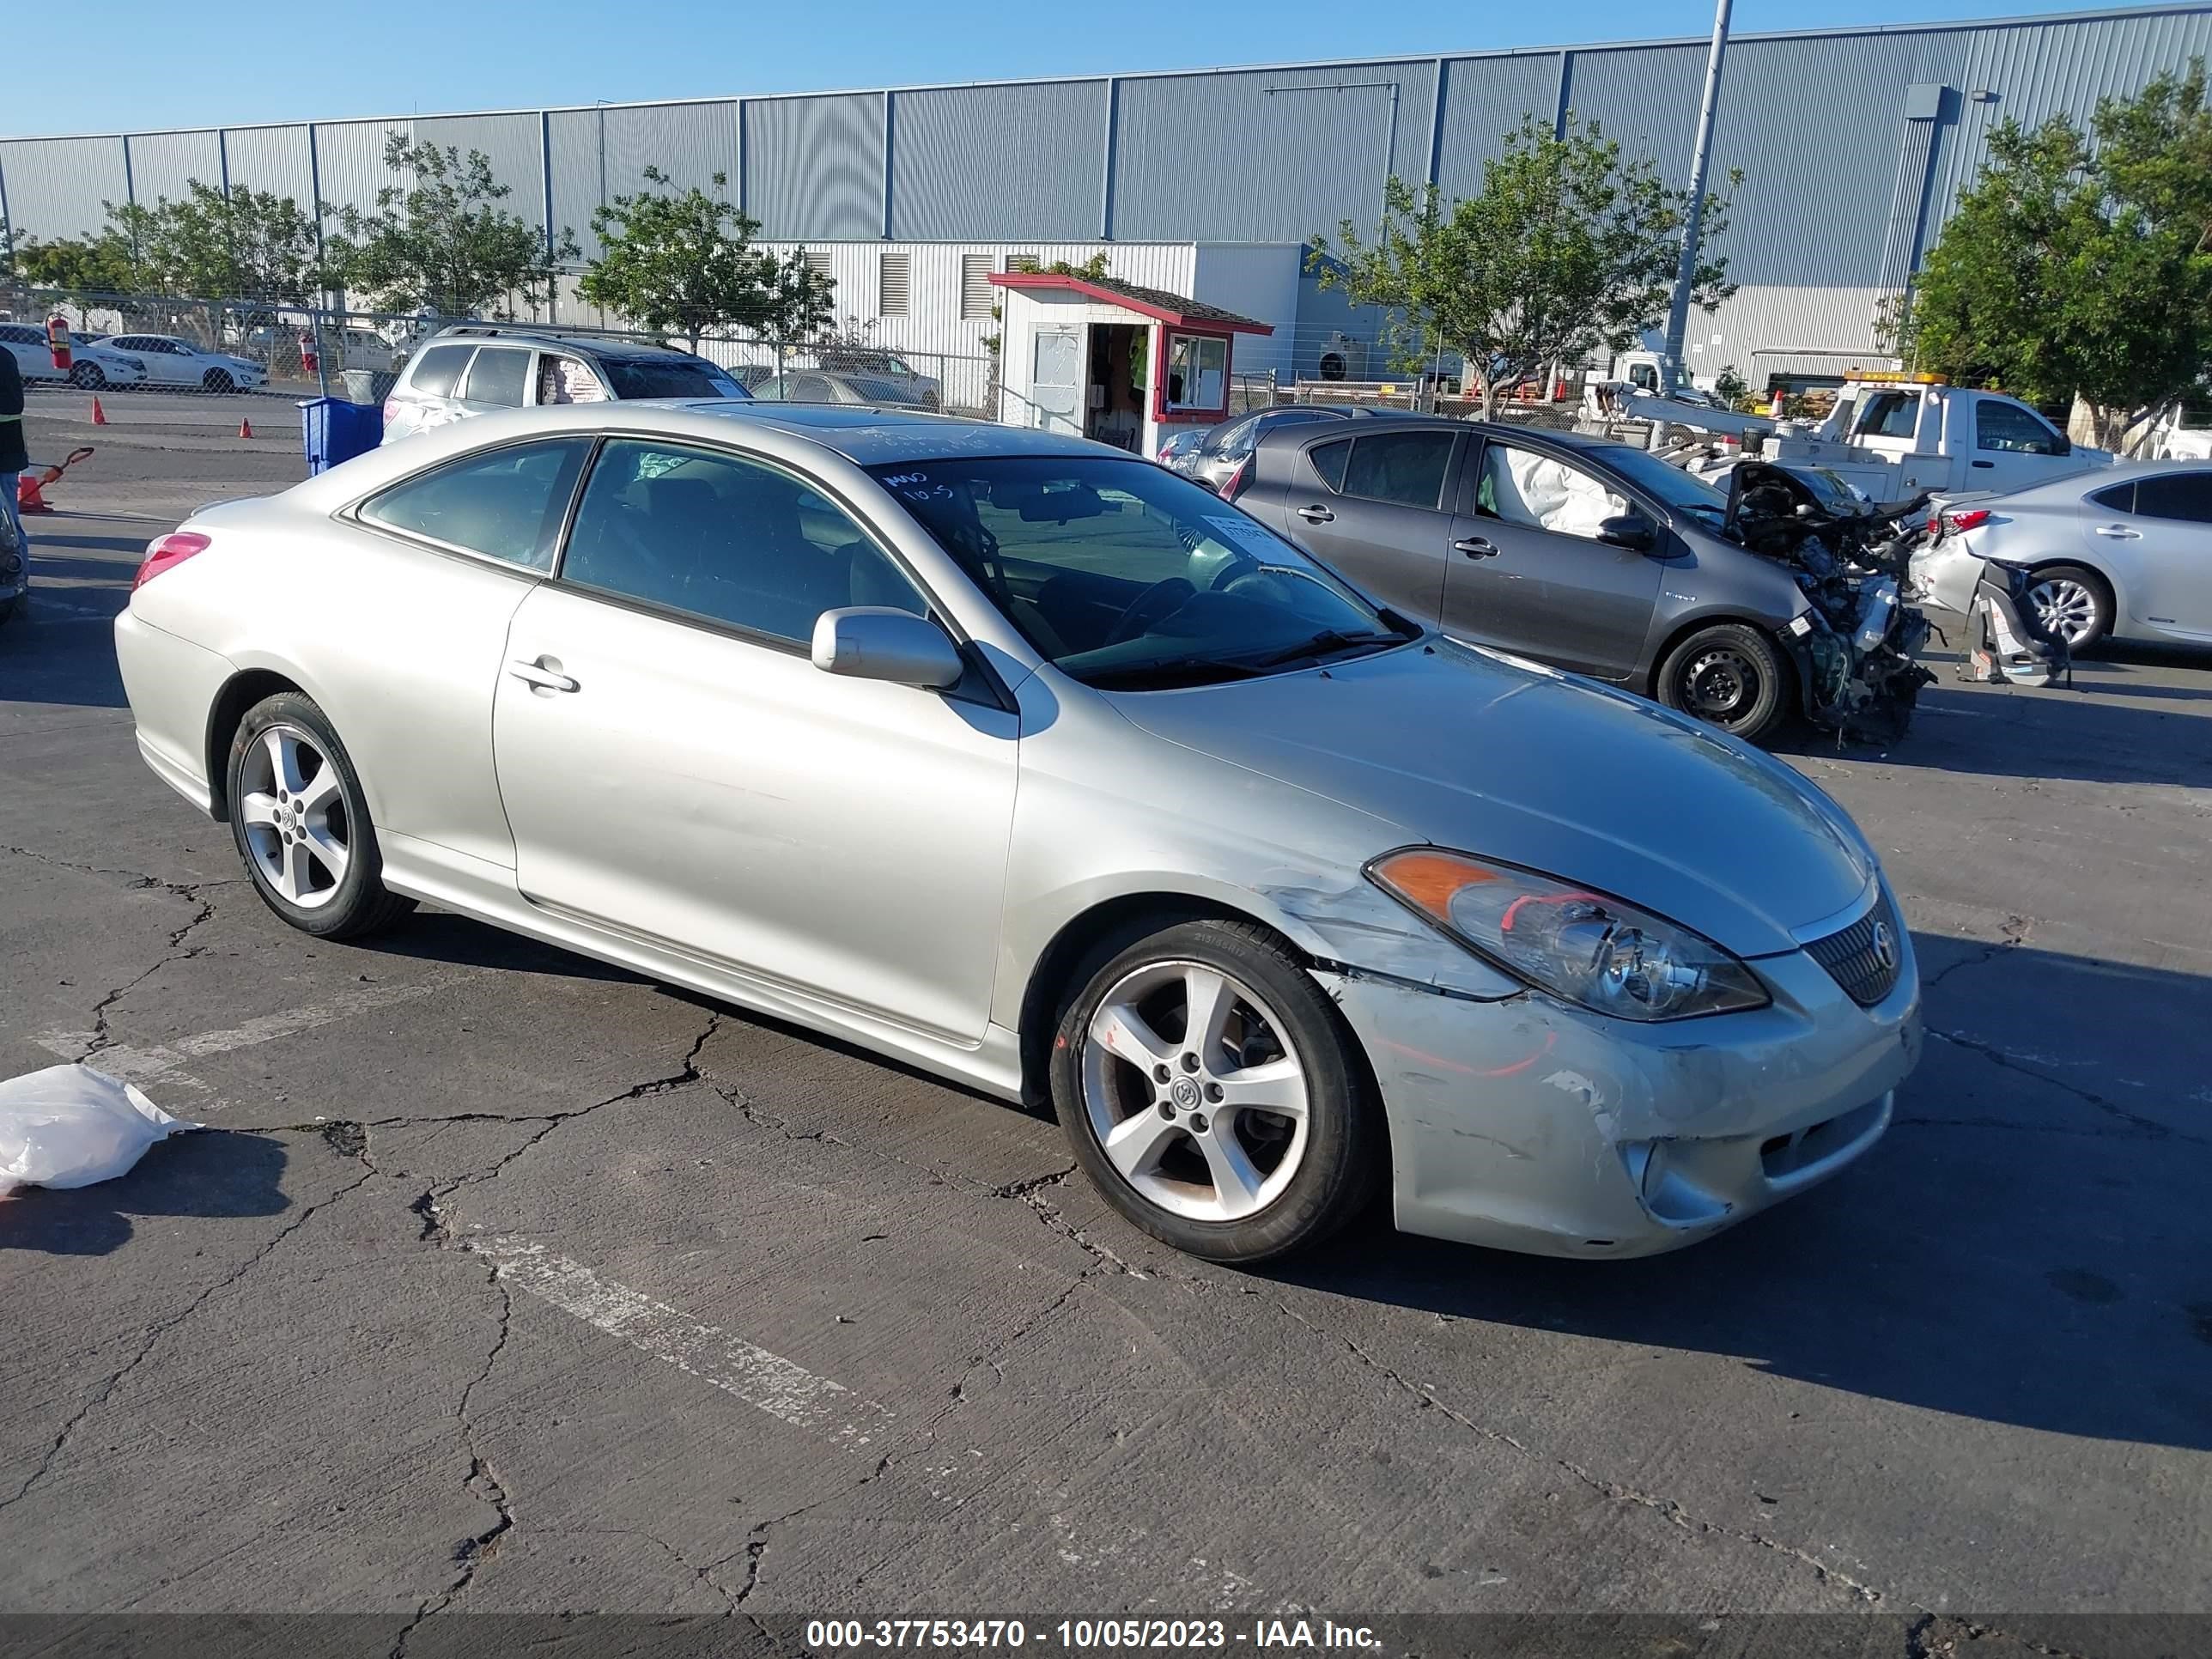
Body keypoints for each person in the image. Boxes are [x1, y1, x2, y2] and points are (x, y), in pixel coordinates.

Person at [0, 344, 27, 556]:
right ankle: (18, 574)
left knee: (8, 522)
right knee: (10, 518)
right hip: (10, 450)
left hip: (6, 449)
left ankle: (15, 574)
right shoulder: (6, 355)